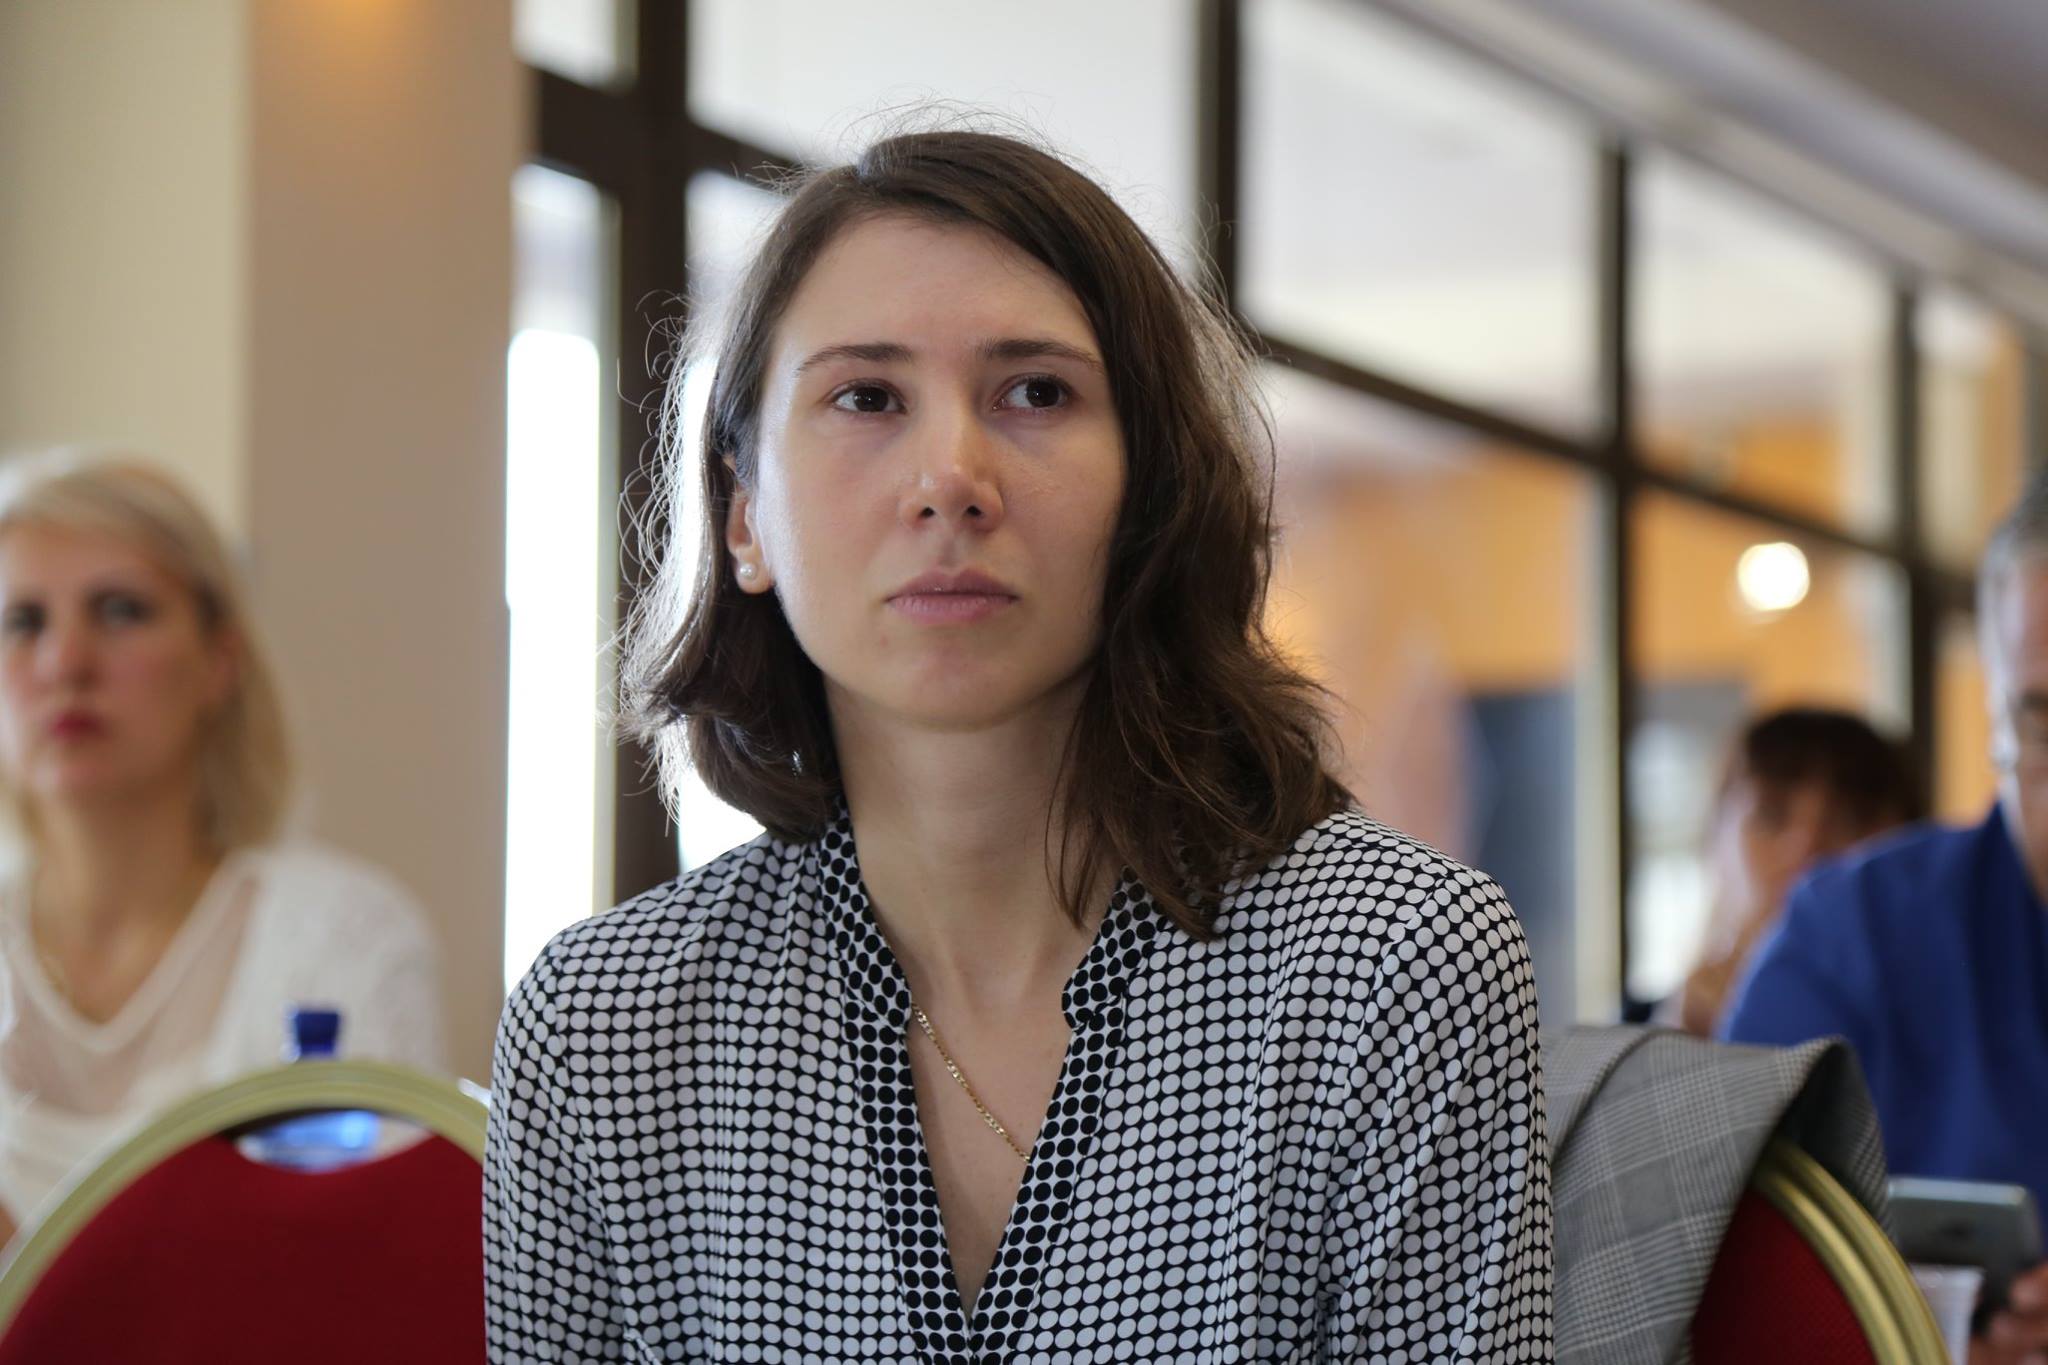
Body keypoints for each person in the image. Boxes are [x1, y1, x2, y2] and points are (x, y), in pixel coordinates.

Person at [485, 129, 1551, 1359]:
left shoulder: (1389, 968)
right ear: (742, 518)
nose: (951, 477)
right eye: (865, 398)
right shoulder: (604, 1029)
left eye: (1035, 393)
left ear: (1150, 488)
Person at [0, 451, 445, 1244]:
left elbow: (381, 1265)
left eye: (121, 610)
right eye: (23, 621)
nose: (65, 661)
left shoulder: (344, 939)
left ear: (220, 660)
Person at [1723, 468, 2048, 1365]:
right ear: (1995, 720)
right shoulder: (1853, 938)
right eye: (2043, 723)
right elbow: (1718, 1285)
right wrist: (1919, 1341)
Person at [1669, 707, 1919, 1037]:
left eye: (1851, 820)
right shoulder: (1627, 1047)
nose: (1807, 850)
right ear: (1713, 842)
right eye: (1771, 815)